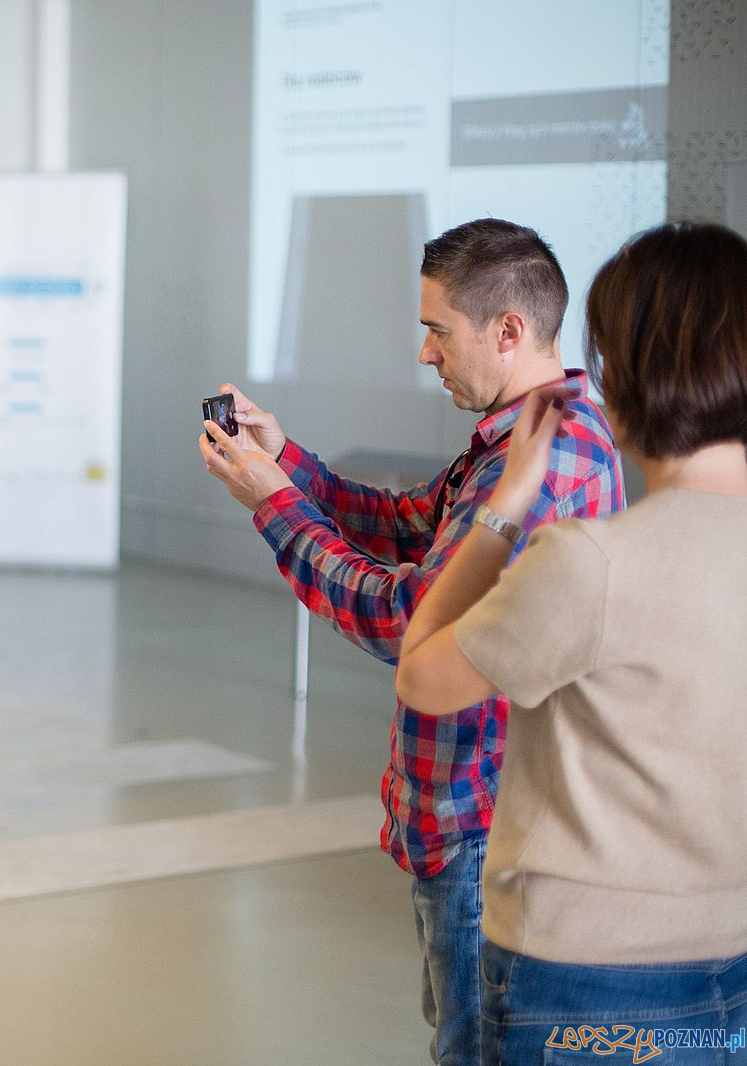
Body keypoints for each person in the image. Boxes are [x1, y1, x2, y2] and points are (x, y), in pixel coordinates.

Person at [197, 218, 624, 1066]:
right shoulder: (522, 435)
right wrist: (288, 463)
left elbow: (408, 620)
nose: (425, 355)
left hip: (485, 826)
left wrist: (274, 505)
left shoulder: (548, 458)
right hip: (467, 820)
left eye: (438, 331)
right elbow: (409, 524)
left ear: (508, 330)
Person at [396, 222, 747, 1065]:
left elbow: (422, 673)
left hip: (587, 983)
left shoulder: (591, 566)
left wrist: (506, 505)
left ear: (625, 374)